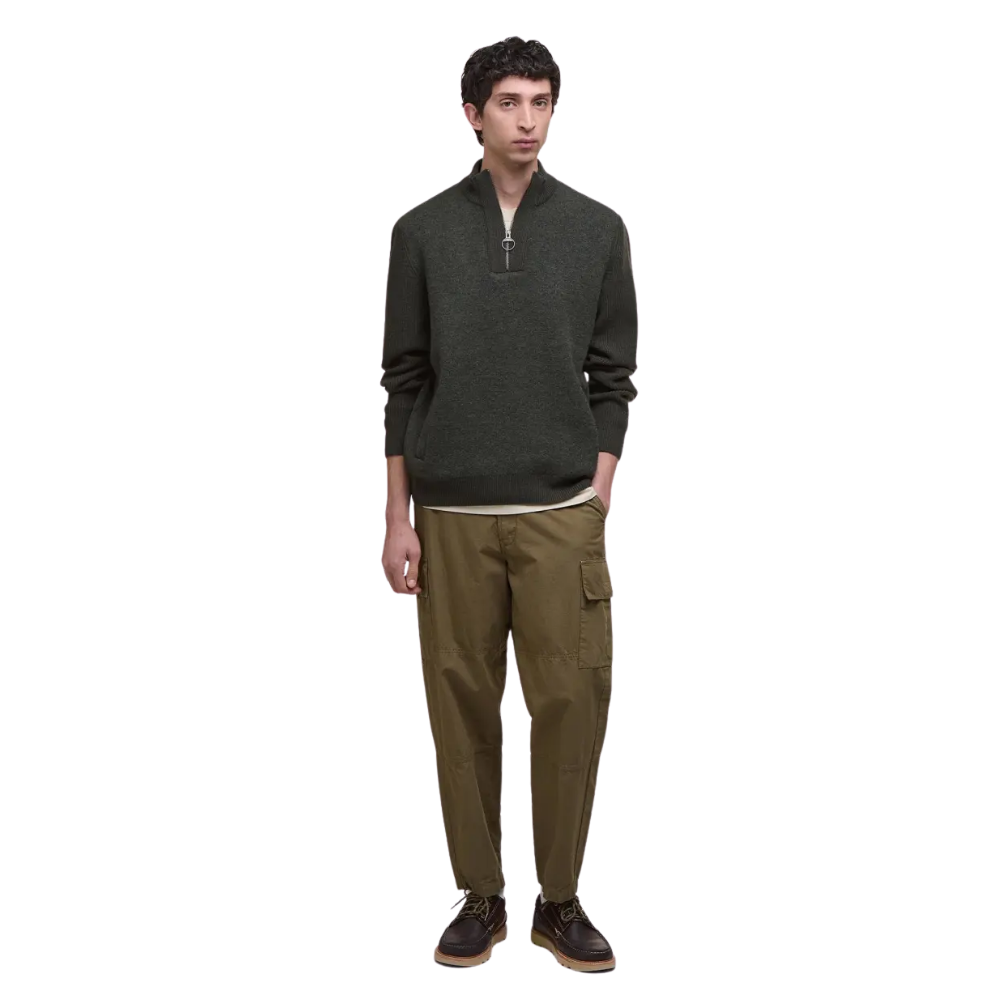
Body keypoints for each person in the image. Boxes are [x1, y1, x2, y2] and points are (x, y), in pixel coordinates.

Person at [379, 36, 638, 973]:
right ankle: (481, 895)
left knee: (571, 705)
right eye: (510, 103)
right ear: (473, 114)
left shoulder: (597, 229)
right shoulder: (421, 232)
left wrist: (596, 493)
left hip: (561, 514)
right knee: (461, 712)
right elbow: (403, 379)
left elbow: (613, 377)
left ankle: (558, 900)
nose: (528, 120)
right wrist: (397, 516)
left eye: (542, 102)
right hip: (450, 521)